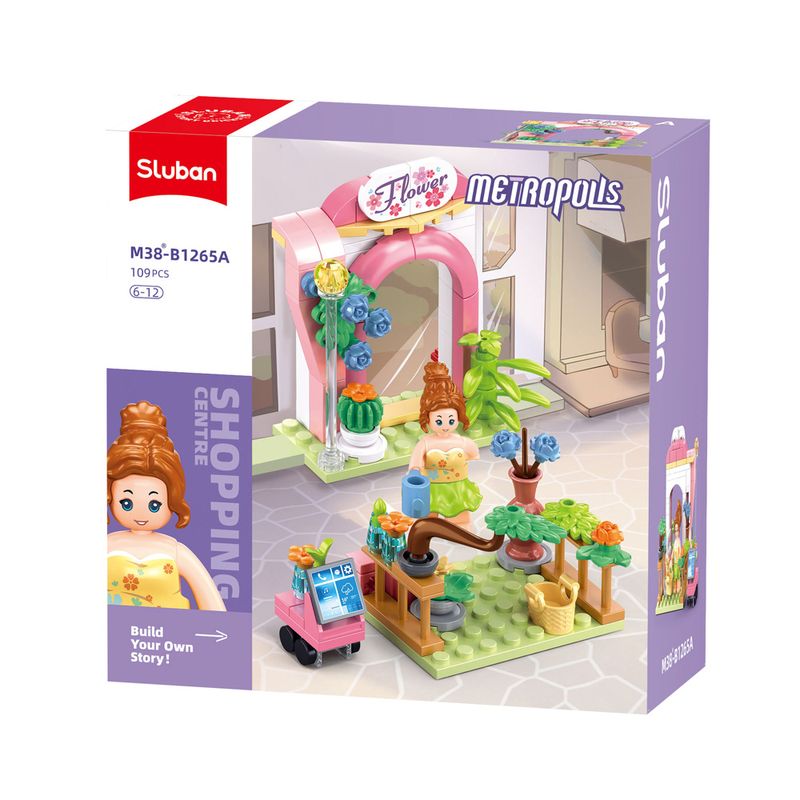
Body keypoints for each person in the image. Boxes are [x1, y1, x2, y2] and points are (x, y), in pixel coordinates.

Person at [107, 401, 226, 611]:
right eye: (127, 502)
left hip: (172, 630)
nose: (141, 513)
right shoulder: (107, 545)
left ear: (172, 499)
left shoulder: (176, 552)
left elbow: (213, 605)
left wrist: (220, 628)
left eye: (154, 504)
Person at [409, 362, 482, 527]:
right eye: (439, 421)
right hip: (431, 487)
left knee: (459, 517)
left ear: (458, 417)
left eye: (451, 420)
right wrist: (415, 470)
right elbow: (416, 462)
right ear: (428, 419)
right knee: (427, 518)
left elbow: (473, 452)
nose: (445, 425)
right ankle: (426, 530)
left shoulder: (461, 442)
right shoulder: (426, 443)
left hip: (456, 487)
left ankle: (461, 529)